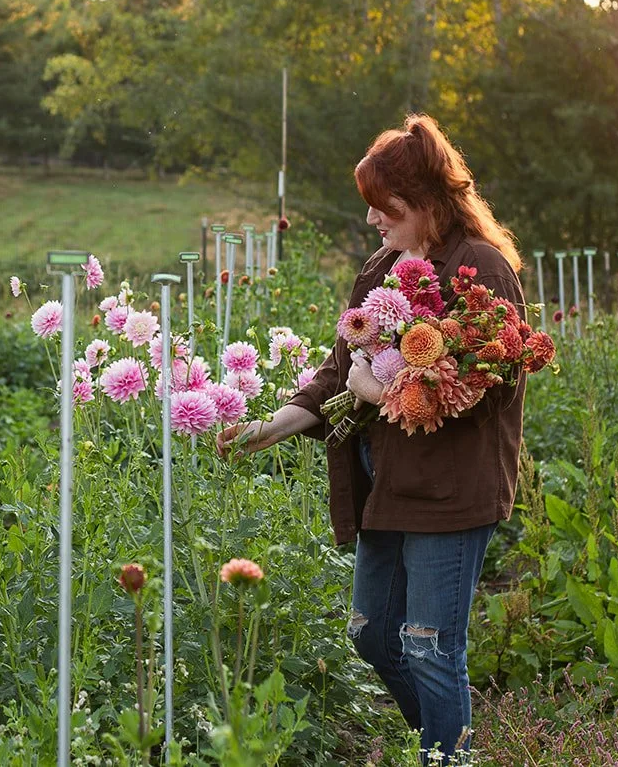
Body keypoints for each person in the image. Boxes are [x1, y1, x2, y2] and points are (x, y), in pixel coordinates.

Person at [217, 113, 526, 761]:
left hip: (451, 491)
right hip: (388, 485)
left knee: (430, 644)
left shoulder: (481, 270)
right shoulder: (384, 266)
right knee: (373, 634)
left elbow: (476, 393)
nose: (372, 220)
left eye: (382, 206)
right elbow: (339, 367)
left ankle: (447, 754)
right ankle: (448, 741)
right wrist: (269, 426)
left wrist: (375, 392)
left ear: (424, 201)